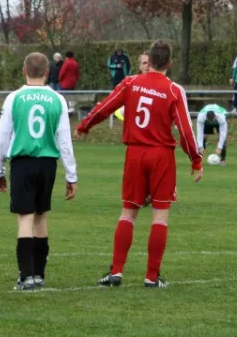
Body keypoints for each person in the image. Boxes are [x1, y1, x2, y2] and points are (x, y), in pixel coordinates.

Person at [76, 40, 203, 288]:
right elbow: (186, 131)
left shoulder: (131, 83)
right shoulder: (174, 90)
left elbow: (105, 106)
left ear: (149, 61)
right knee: (160, 216)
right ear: (170, 63)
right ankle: (151, 277)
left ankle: (116, 272)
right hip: (161, 156)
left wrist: (85, 125)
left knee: (128, 213)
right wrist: (196, 160)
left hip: (134, 154)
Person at [0, 52, 78, 290]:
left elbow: (2, 138)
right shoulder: (58, 99)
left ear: (24, 71)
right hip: (47, 164)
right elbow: (64, 140)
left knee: (25, 218)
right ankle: (39, 275)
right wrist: (71, 175)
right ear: (48, 72)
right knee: (41, 216)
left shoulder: (14, 98)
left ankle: (26, 275)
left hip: (22, 162)